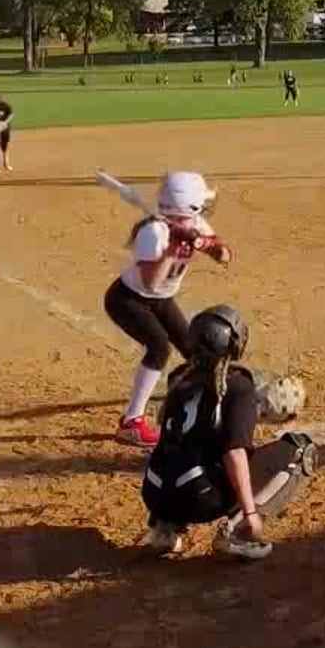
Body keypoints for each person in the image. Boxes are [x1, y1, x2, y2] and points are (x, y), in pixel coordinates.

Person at [141, 306, 316, 561]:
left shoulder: (178, 377)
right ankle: (237, 532)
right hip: (199, 500)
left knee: (182, 451)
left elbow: (202, 416)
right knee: (299, 450)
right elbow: (234, 453)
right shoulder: (239, 386)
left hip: (155, 495)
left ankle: (164, 530)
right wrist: (249, 512)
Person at [104, 172, 234, 448]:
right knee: (159, 347)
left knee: (193, 349)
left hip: (161, 299)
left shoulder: (195, 224)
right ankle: (131, 423)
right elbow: (151, 283)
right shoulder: (153, 232)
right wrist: (171, 251)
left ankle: (200, 398)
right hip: (128, 299)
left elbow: (226, 257)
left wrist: (206, 245)